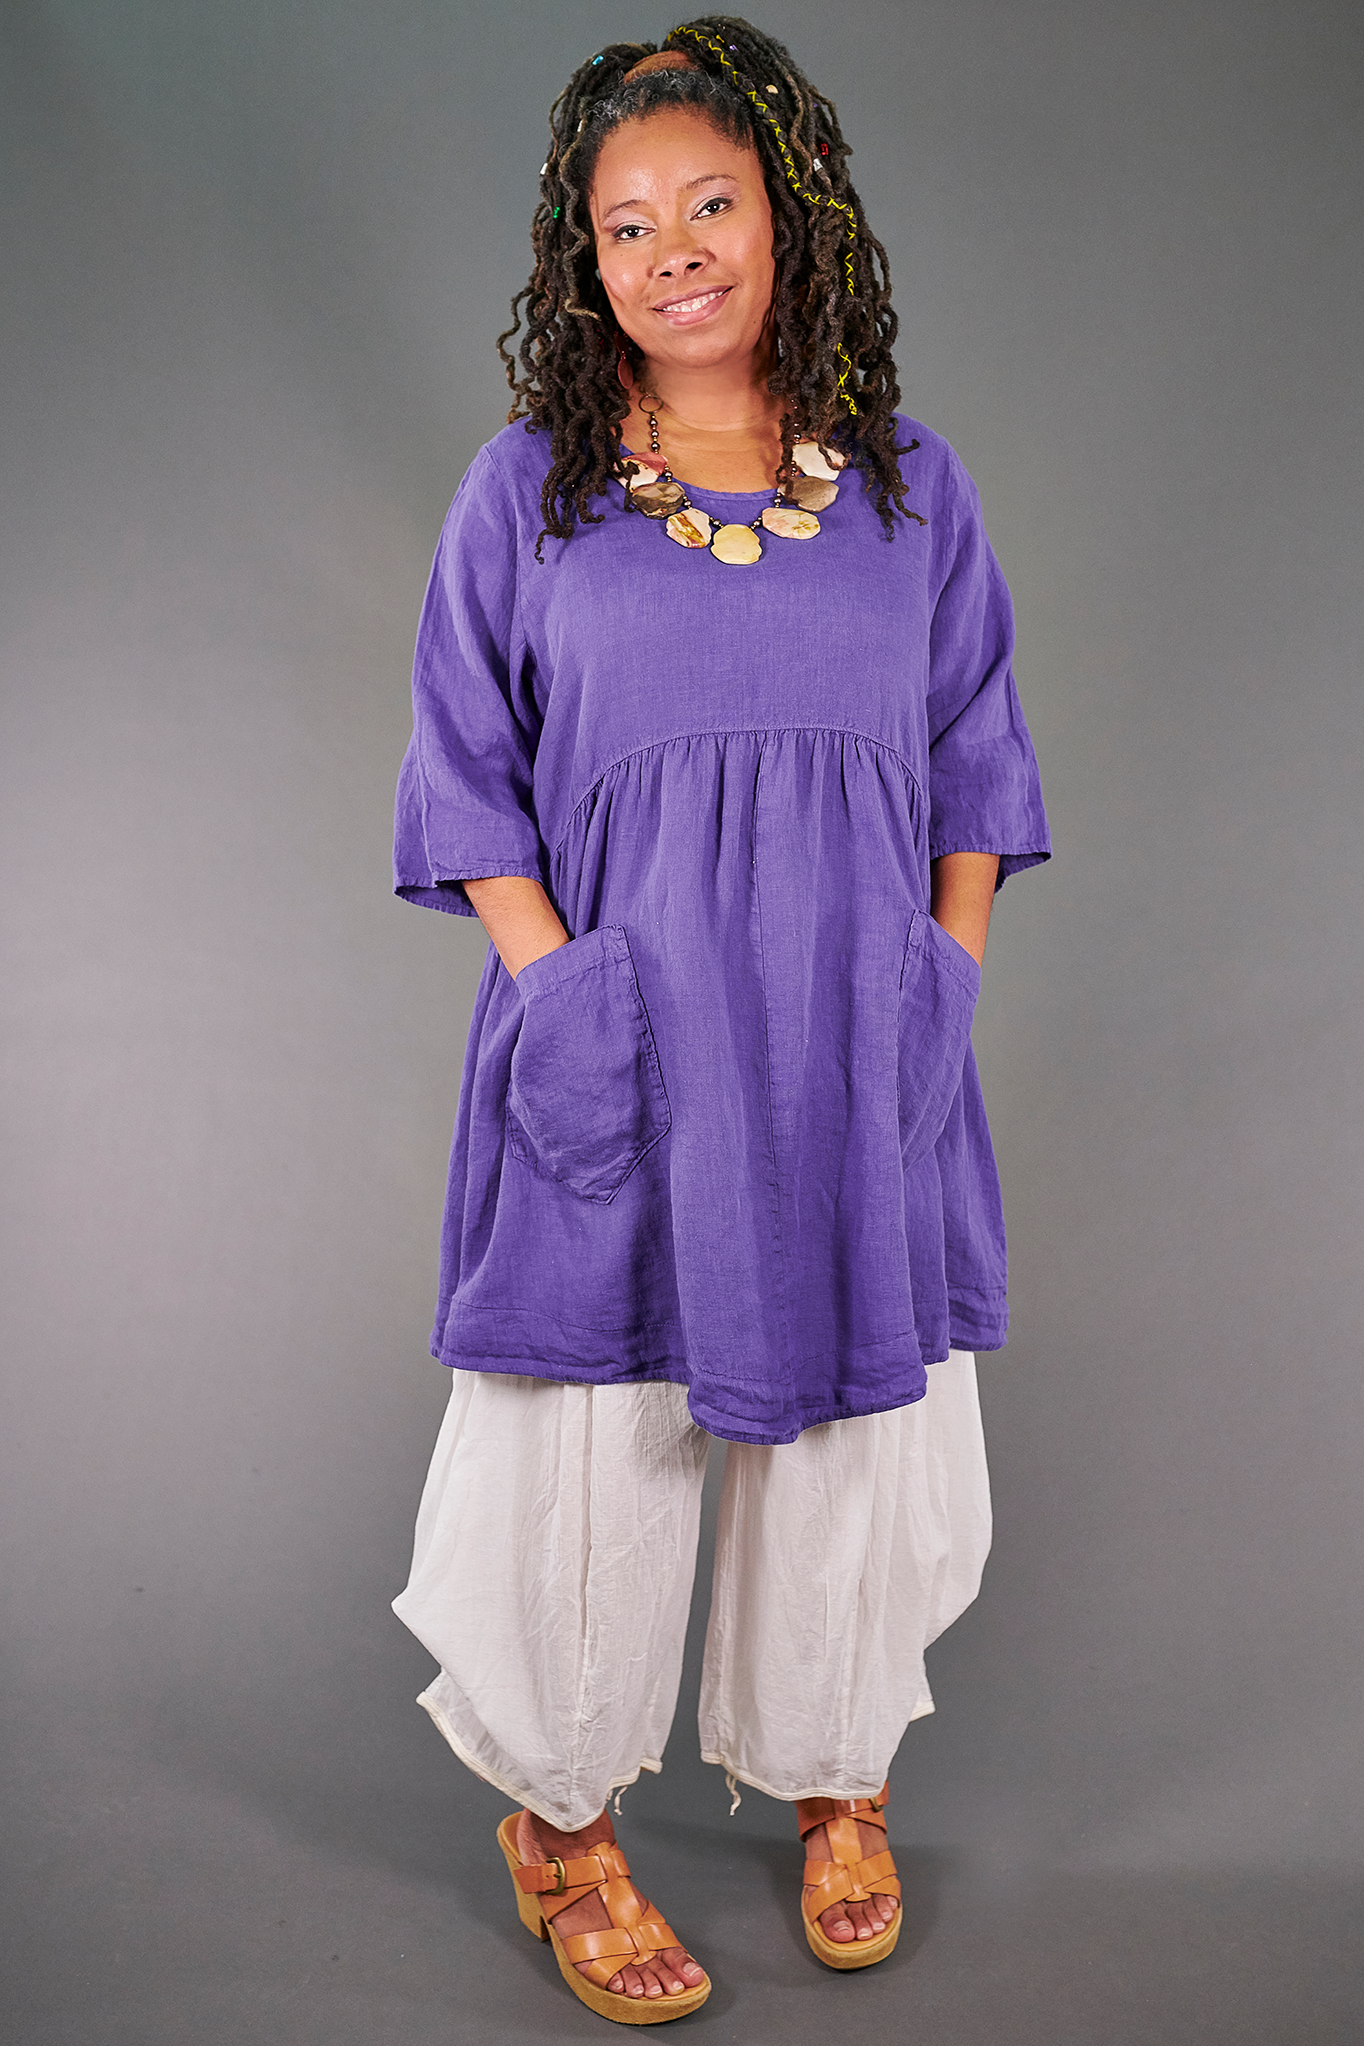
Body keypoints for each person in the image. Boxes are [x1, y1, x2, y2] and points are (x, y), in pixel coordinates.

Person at [391, 16, 1049, 2024]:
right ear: (580, 264)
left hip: (854, 1035)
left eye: (710, 203)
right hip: (621, 1033)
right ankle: (563, 1825)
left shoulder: (912, 492)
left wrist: (942, 978)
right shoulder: (530, 494)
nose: (673, 250)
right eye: (626, 225)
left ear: (792, 214)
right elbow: (464, 778)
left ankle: (840, 1775)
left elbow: (976, 760)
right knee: (591, 1436)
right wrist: (558, 988)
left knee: (855, 1420)